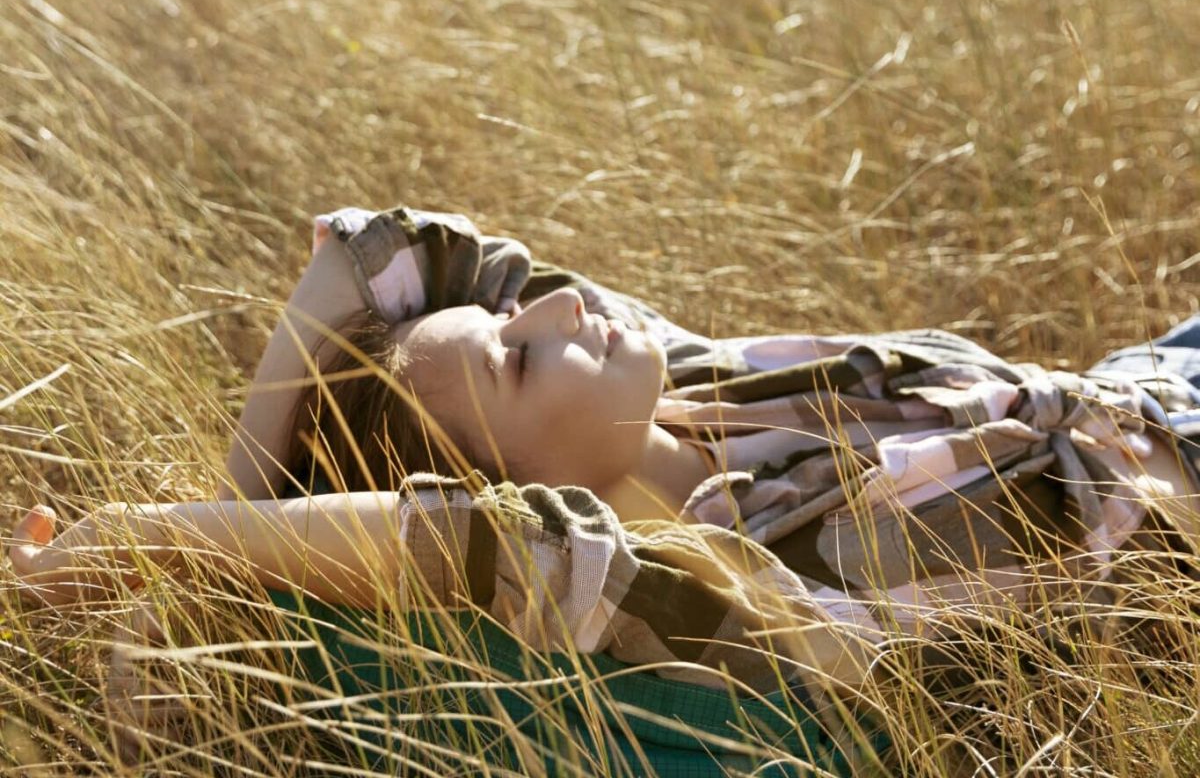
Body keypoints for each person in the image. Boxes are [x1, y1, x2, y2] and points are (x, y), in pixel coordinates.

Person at [9, 204, 1200, 703]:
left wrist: (227, 491)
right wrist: (158, 545)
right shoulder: (740, 586)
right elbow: (476, 543)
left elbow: (392, 252)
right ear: (529, 485)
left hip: (1167, 372)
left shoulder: (688, 383)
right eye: (517, 359)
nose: (556, 310)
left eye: (518, 322)